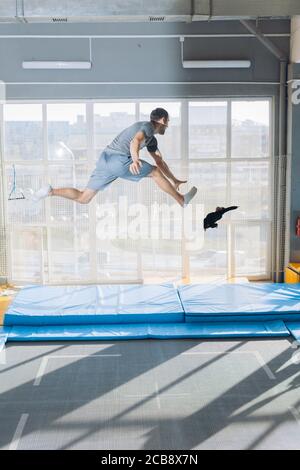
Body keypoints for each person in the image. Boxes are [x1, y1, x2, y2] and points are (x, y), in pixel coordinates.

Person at [31, 108, 197, 207]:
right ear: (162, 120)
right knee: (153, 172)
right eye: (167, 121)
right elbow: (135, 141)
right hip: (119, 159)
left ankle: (50, 192)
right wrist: (134, 160)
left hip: (105, 160)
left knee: (84, 198)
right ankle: (182, 201)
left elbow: (160, 161)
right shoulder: (146, 126)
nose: (168, 125)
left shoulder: (152, 139)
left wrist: (173, 179)